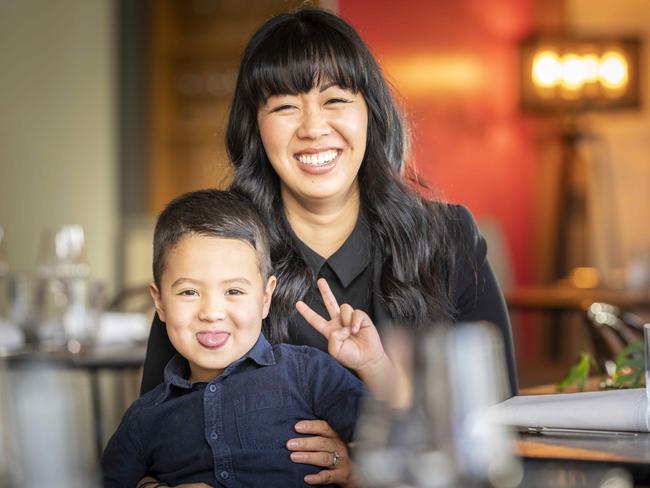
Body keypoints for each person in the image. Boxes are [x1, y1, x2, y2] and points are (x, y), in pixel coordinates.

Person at [141, 7, 517, 486]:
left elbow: (499, 421)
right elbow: (157, 430)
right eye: (284, 106)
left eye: (336, 99)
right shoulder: (211, 247)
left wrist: (364, 466)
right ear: (254, 126)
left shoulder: (446, 239)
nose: (313, 127)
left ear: (370, 112)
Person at [103, 189, 410, 487]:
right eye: (189, 292)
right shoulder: (145, 417)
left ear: (265, 299)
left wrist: (374, 364)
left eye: (233, 291)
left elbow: (402, 441)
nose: (212, 312)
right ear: (159, 303)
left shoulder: (307, 373)